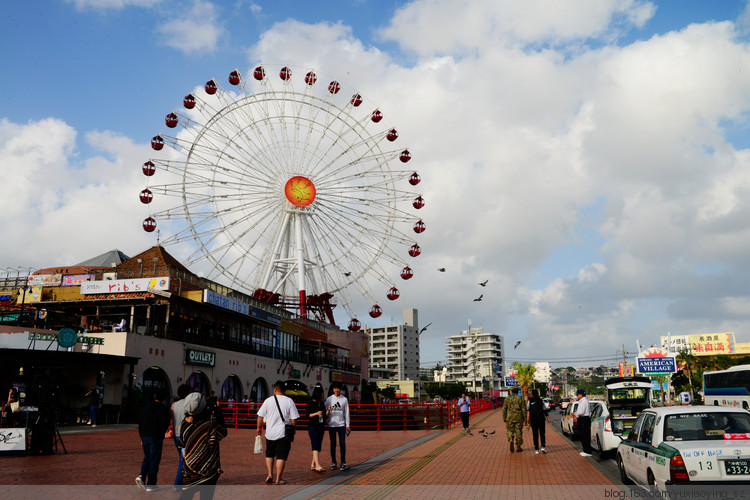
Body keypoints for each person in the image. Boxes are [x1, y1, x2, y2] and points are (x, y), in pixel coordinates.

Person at [179, 392, 227, 500]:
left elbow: (181, 445)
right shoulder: (210, 425)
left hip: (189, 468)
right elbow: (223, 432)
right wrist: (218, 412)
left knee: (186, 496)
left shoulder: (184, 424)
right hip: (208, 470)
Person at [257, 381, 299, 485]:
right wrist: (293, 428)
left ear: (275, 389)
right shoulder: (289, 401)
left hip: (270, 433)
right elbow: (294, 419)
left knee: (269, 454)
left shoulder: (268, 401)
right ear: (284, 391)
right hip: (283, 434)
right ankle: (278, 479)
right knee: (281, 456)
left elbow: (260, 417)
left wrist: (259, 428)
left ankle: (270, 474)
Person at [136, 388, 171, 492]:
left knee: (147, 456)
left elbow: (141, 421)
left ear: (155, 396)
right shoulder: (163, 409)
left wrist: (141, 435)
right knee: (154, 460)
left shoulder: (147, 407)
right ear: (164, 398)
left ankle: (142, 475)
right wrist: (161, 434)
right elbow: (165, 423)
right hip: (156, 436)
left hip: (145, 435)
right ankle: (151, 483)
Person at [325, 382, 350, 470]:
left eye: (338, 388)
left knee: (342, 443)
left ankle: (343, 462)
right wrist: (327, 411)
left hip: (341, 424)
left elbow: (346, 413)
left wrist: (348, 425)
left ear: (341, 389)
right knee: (333, 444)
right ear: (333, 389)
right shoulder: (329, 399)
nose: (337, 390)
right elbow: (325, 414)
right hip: (331, 424)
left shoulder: (344, 399)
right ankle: (333, 462)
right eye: (335, 388)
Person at [170, 384, 190, 491]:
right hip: (186, 436)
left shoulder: (174, 405)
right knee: (183, 460)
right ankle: (178, 484)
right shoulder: (189, 405)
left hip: (175, 435)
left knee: (183, 458)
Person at [306, 386, 327, 472]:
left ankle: (313, 464)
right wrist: (316, 413)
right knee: (315, 444)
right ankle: (318, 465)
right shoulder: (310, 403)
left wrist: (328, 411)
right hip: (313, 426)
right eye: (322, 393)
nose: (323, 395)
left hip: (321, 426)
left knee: (318, 445)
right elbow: (307, 415)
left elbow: (324, 415)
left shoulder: (321, 403)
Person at [526, 389, 552, 454]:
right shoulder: (541, 401)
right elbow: (545, 410)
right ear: (538, 394)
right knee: (542, 434)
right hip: (541, 420)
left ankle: (536, 449)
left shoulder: (530, 401)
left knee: (535, 435)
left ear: (532, 394)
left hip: (533, 420)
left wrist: (527, 420)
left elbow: (528, 411)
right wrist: (548, 418)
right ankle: (543, 447)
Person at [503, 387, 526, 452]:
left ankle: (510, 440)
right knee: (518, 431)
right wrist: (525, 419)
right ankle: (518, 446)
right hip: (518, 417)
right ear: (517, 391)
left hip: (510, 417)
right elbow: (523, 409)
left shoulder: (507, 398)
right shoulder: (520, 398)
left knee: (510, 430)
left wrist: (504, 417)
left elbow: (504, 409)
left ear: (512, 391)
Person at [573, 388, 593, 457]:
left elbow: (581, 412)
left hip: (583, 419)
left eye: (578, 395)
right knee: (585, 435)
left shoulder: (583, 401)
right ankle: (586, 450)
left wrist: (575, 414)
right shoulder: (584, 401)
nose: (577, 396)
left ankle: (587, 451)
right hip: (585, 419)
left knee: (584, 436)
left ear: (581, 395)